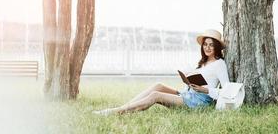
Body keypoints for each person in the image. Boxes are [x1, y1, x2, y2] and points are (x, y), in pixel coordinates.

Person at [93, 29, 229, 115]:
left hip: (199, 102)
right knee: (158, 85)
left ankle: (116, 111)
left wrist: (205, 90)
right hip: (188, 94)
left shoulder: (219, 64)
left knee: (156, 95)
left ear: (216, 47)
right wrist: (188, 81)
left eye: (211, 45)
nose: (207, 47)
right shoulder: (203, 62)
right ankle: (125, 107)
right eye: (205, 44)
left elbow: (227, 92)